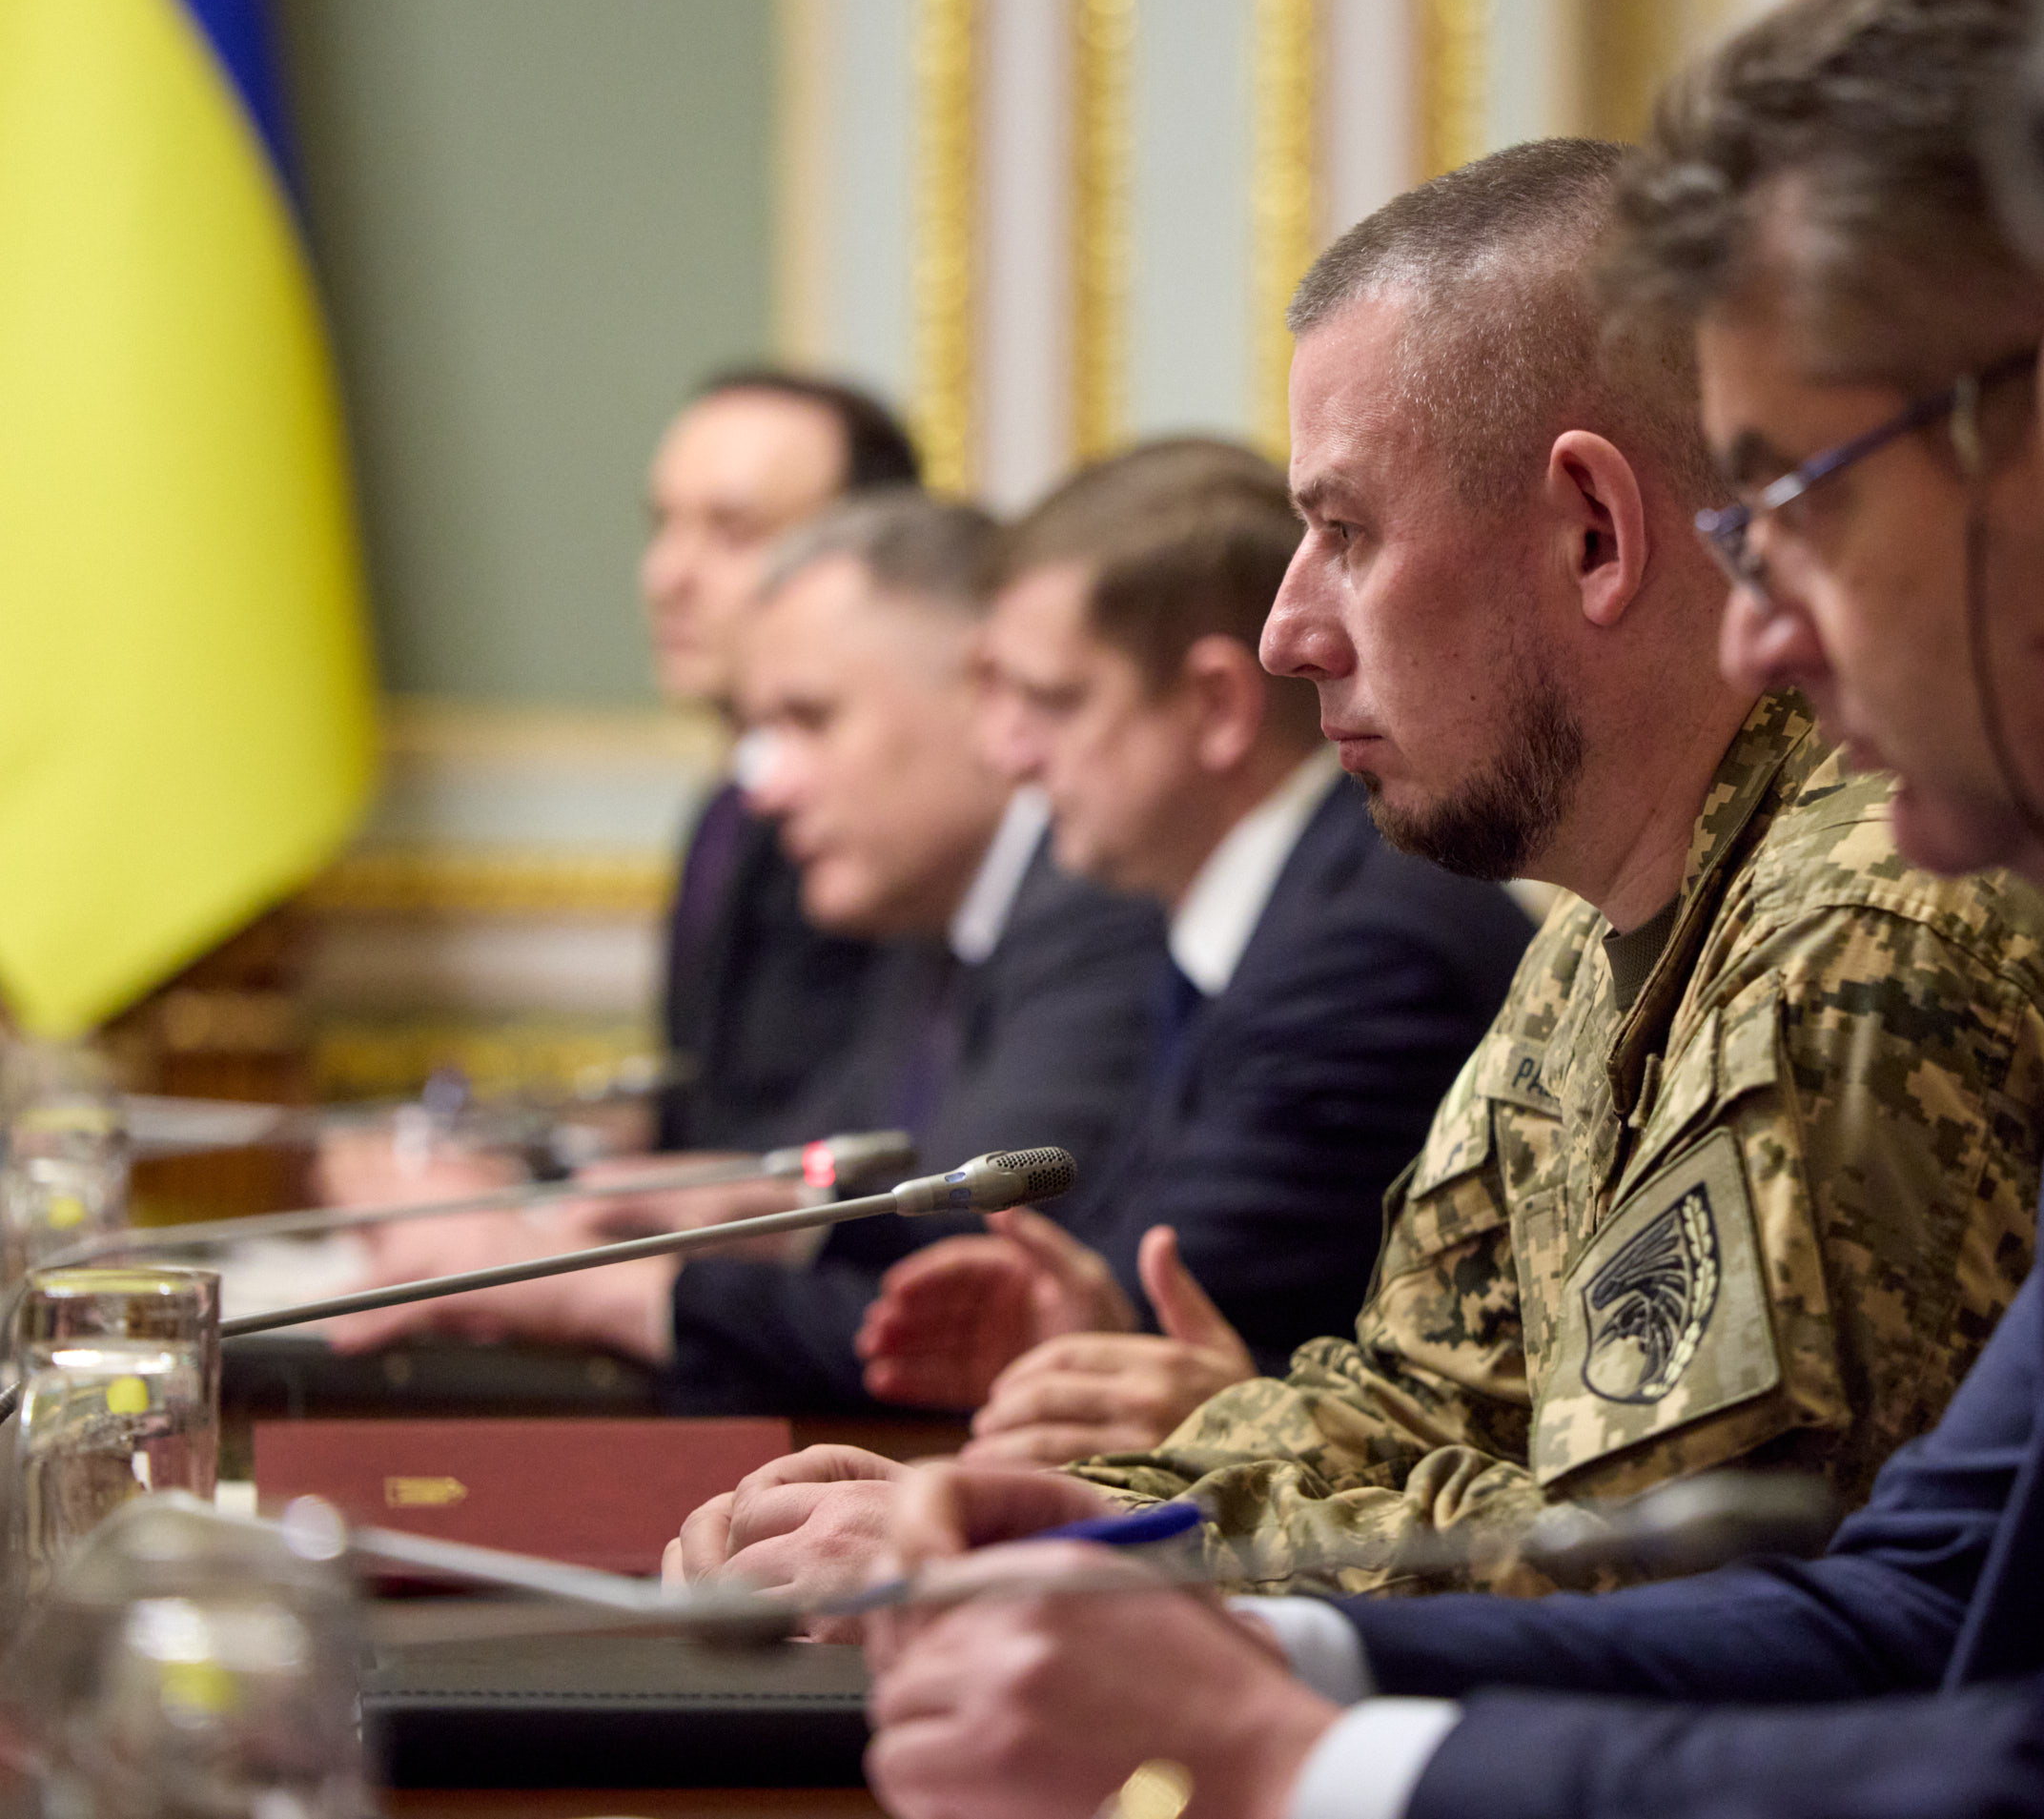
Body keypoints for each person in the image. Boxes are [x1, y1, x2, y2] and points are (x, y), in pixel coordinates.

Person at [836, 0, 2044, 1817]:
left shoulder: (1926, 923)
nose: (1760, 629)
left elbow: (1724, 1573)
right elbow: (1912, 1598)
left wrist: (1286, 1717)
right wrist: (1192, 1599)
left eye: (1797, 505)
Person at [675, 139, 2044, 1603]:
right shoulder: (1601, 929)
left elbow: (1643, 1571)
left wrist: (1087, 1549)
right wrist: (1020, 1508)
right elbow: (1413, 1403)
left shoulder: (1850, 930)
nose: (1286, 632)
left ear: (1593, 534)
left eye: (1345, 532)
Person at [337, 493, 1170, 1416]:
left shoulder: (1101, 907)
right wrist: (705, 1208)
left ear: (985, 693)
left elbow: (965, 1291)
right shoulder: (929, 919)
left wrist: (578, 1282)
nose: (766, 790)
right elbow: (827, 1186)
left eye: (811, 720)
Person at [848, 436, 1536, 1464]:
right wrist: (1084, 1318)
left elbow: (1180, 1305)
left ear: (1216, 705)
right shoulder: (1250, 916)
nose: (1008, 754)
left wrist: (1098, 1322)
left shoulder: (1365, 957)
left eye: (1054, 701)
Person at [643, 369, 915, 1152]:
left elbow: (854, 1142)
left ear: (857, 559)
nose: (665, 576)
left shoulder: (897, 825)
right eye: (661, 524)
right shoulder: (727, 808)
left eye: (733, 533)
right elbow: (710, 1125)